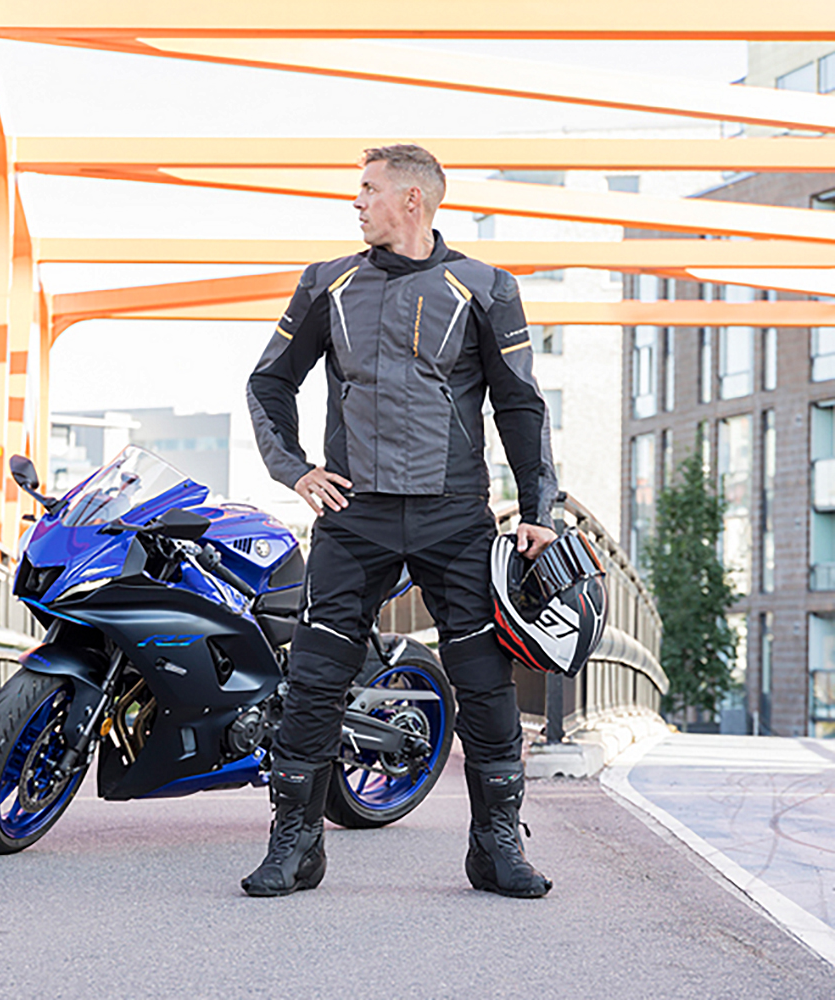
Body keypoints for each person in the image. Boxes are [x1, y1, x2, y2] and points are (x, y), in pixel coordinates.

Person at [243, 144, 558, 899]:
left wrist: (538, 511)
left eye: (369, 189)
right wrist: (296, 471)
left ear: (412, 200)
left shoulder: (486, 286)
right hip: (355, 518)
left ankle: (496, 848)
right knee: (314, 680)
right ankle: (296, 845)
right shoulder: (327, 283)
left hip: (456, 517)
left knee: (484, 684)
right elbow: (269, 382)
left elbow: (519, 404)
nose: (357, 202)